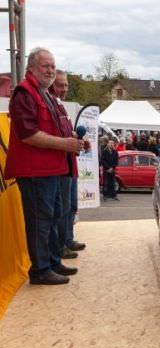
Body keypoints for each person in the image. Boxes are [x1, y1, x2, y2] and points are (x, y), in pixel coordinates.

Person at [5, 47, 82, 285]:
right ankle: (40, 269)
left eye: (52, 66)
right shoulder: (24, 94)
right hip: (36, 172)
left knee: (53, 217)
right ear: (31, 68)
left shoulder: (45, 95)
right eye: (45, 66)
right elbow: (28, 134)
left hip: (52, 170)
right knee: (40, 221)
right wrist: (65, 144)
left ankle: (51, 262)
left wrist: (73, 143)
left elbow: (54, 131)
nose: (50, 70)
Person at [50, 70, 86, 259]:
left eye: (66, 85)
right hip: (61, 168)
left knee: (71, 206)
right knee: (61, 209)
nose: (64, 89)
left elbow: (65, 134)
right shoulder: (51, 106)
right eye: (60, 85)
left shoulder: (60, 107)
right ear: (51, 85)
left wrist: (77, 140)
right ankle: (60, 245)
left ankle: (68, 239)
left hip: (70, 165)